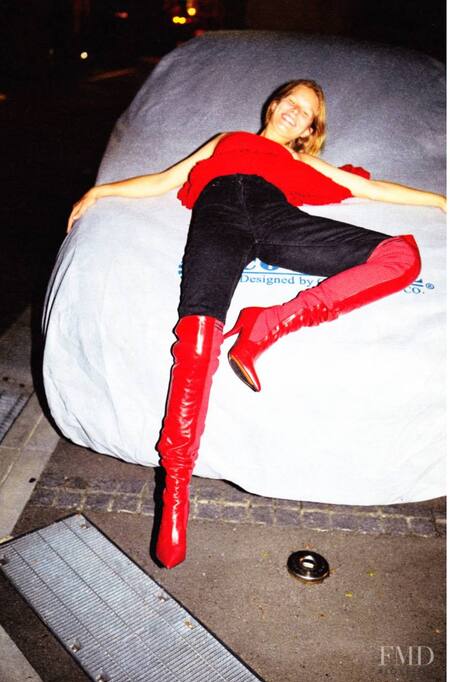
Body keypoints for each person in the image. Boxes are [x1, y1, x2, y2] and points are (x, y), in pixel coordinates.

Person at [67, 79, 446, 569]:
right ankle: (175, 492)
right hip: (218, 217)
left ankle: (269, 323)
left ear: (309, 130)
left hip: (275, 218)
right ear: (273, 105)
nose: (295, 111)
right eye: (291, 100)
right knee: (196, 339)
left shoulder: (299, 160)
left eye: (306, 111)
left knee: (400, 256)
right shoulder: (227, 140)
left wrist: (440, 200)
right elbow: (164, 180)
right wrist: (100, 190)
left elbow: (368, 189)